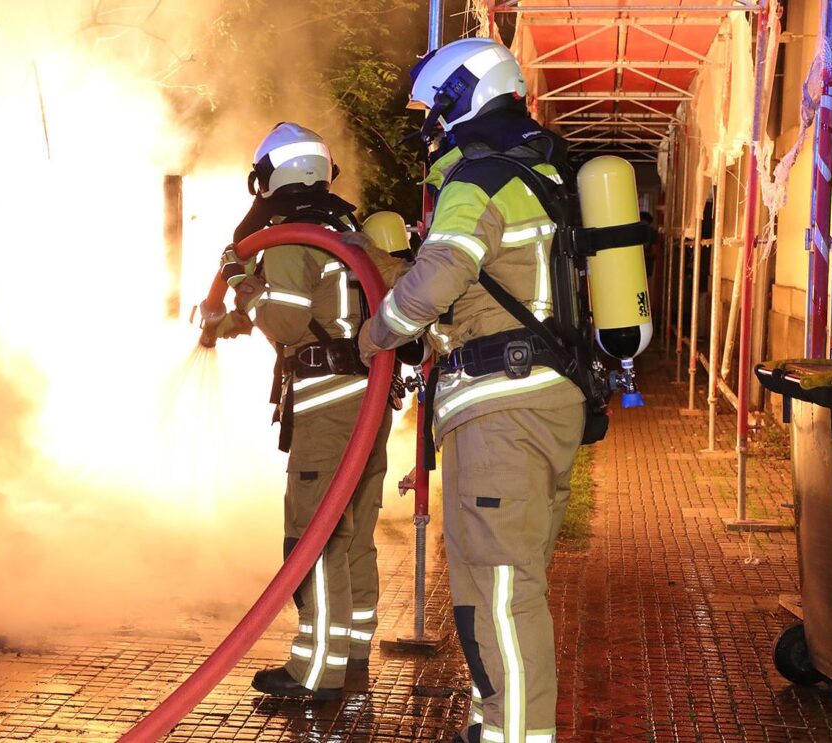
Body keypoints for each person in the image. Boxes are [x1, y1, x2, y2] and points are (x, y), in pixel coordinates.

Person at [358, 39, 586, 743]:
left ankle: (517, 735)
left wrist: (375, 334)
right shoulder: (538, 171)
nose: (430, 129)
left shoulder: (479, 179)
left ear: (465, 95)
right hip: (544, 403)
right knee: (506, 586)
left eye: (434, 110)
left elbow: (438, 279)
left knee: (502, 596)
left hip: (502, 414)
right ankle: (499, 723)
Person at [214, 122, 398, 699]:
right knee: (355, 535)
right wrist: (230, 320)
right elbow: (314, 308)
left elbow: (289, 322)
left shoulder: (290, 236)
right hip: (369, 397)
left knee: (313, 537)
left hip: (327, 405)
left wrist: (240, 280)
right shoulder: (343, 229)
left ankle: (316, 670)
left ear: (269, 175)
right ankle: (352, 653)